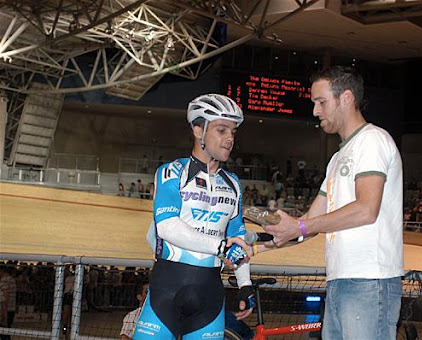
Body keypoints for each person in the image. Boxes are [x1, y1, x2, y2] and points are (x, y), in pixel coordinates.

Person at [265, 66, 404, 340]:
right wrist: (265, 243)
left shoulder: (372, 141)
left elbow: (366, 210)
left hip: (369, 280)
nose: (316, 111)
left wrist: (302, 226)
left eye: (321, 102)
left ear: (346, 98)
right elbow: (311, 221)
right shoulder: (337, 159)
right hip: (340, 280)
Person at [133, 94, 254, 340]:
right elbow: (167, 227)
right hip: (166, 290)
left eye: (233, 132)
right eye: (221, 130)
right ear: (199, 130)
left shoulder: (233, 184)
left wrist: (245, 284)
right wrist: (220, 246)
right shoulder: (171, 172)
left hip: (209, 294)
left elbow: (237, 238)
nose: (230, 138)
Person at [0, 265, 16, 340]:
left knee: (4, 333)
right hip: (10, 309)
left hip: (5, 310)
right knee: (5, 333)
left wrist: (4, 316)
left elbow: (5, 301)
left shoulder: (5, 280)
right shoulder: (10, 278)